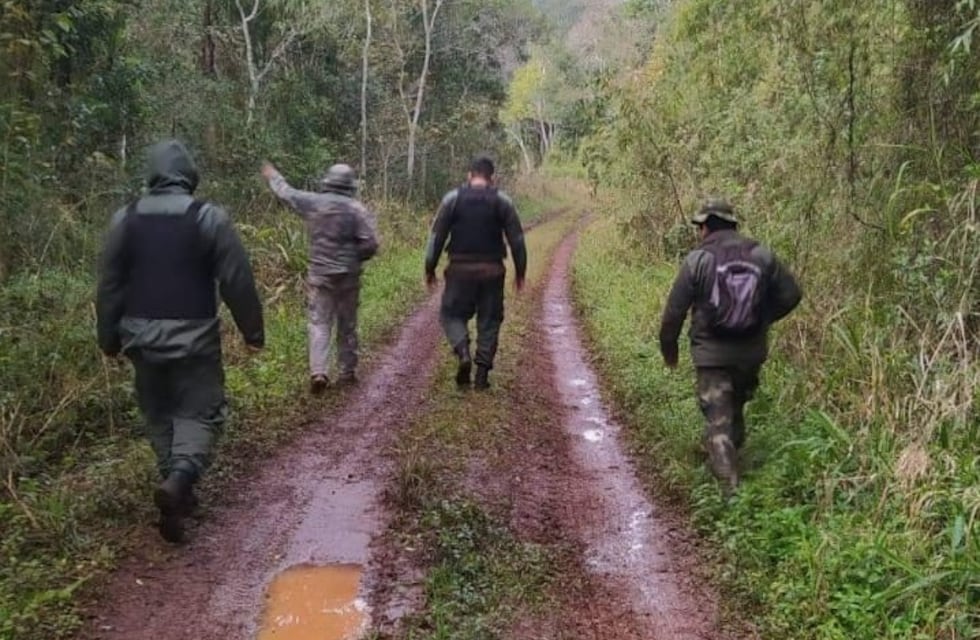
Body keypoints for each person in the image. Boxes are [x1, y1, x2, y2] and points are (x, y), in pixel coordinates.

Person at [96, 139, 265, 543]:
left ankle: (175, 484)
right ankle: (182, 477)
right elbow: (236, 280)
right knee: (200, 411)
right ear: (189, 174)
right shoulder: (208, 218)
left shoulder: (125, 219)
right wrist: (253, 332)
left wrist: (108, 338)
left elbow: (110, 285)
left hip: (139, 337)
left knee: (159, 413)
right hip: (195, 339)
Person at [659, 199, 802, 494]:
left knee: (718, 421)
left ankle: (729, 493)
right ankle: (731, 459)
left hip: (712, 356)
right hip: (751, 354)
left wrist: (668, 347)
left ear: (706, 227)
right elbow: (792, 294)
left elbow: (674, 311)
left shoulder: (698, 259)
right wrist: (762, 319)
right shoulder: (761, 254)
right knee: (734, 409)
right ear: (733, 224)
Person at [260, 162, 379, 393]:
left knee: (319, 323)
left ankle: (319, 372)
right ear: (350, 186)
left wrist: (273, 174)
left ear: (328, 182)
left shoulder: (314, 203)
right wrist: (355, 258)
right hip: (348, 277)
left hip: (320, 275)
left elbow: (287, 193)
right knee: (347, 324)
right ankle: (346, 372)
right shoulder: (357, 210)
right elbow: (371, 243)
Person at [425, 156, 527, 390]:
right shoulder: (502, 201)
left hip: (460, 269)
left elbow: (436, 238)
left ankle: (462, 352)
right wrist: (520, 272)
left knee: (451, 314)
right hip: (492, 271)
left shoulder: (452, 199)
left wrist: (429, 267)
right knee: (489, 320)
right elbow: (517, 240)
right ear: (492, 178)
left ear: (469, 176)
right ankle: (481, 375)